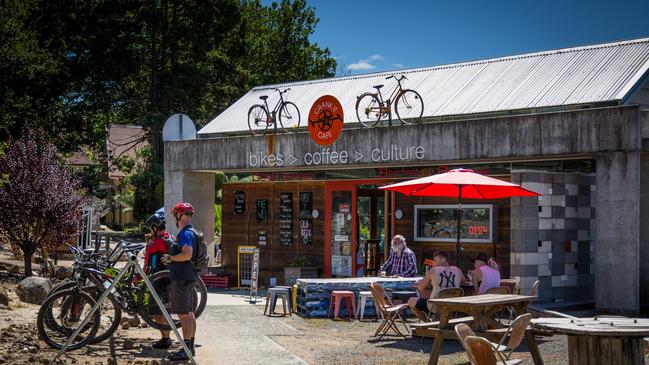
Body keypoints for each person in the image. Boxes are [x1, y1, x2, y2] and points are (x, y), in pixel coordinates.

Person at [160, 202, 198, 361]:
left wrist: (170, 258)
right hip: (188, 276)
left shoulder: (185, 234)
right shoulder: (191, 232)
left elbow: (187, 254)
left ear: (179, 216)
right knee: (189, 314)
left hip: (181, 278)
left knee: (184, 315)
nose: (175, 216)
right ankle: (190, 348)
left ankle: (186, 350)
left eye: (176, 214)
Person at [143, 212, 173, 350]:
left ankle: (166, 339)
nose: (150, 231)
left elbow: (148, 260)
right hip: (167, 279)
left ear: (155, 228)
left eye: (151, 228)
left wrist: (149, 244)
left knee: (158, 312)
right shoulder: (167, 238)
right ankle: (165, 337)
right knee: (162, 311)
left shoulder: (157, 242)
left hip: (160, 280)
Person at [408, 250, 465, 321]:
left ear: (444, 259)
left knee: (411, 301)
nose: (434, 263)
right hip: (452, 305)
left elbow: (420, 287)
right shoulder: (458, 270)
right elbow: (464, 283)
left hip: (435, 306)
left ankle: (428, 323)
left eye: (435, 260)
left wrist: (429, 279)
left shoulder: (433, 270)